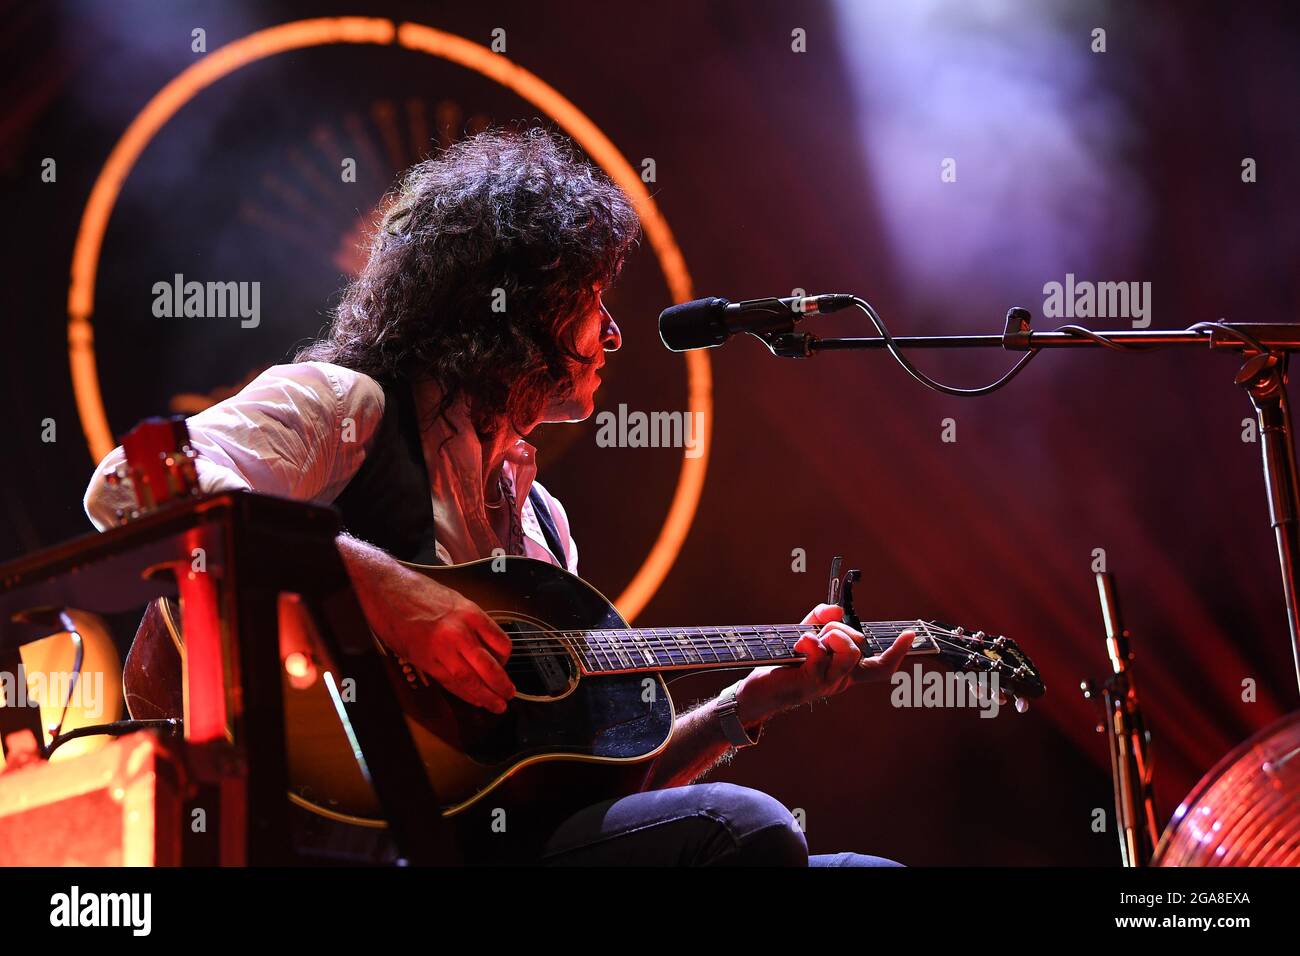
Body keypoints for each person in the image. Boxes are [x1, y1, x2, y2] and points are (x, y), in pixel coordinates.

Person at [84, 128, 909, 866]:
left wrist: (749, 701)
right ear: (511, 309)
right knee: (750, 829)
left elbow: (596, 793)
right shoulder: (344, 409)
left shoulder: (543, 523)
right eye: (589, 302)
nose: (612, 334)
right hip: (338, 832)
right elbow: (130, 489)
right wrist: (383, 590)